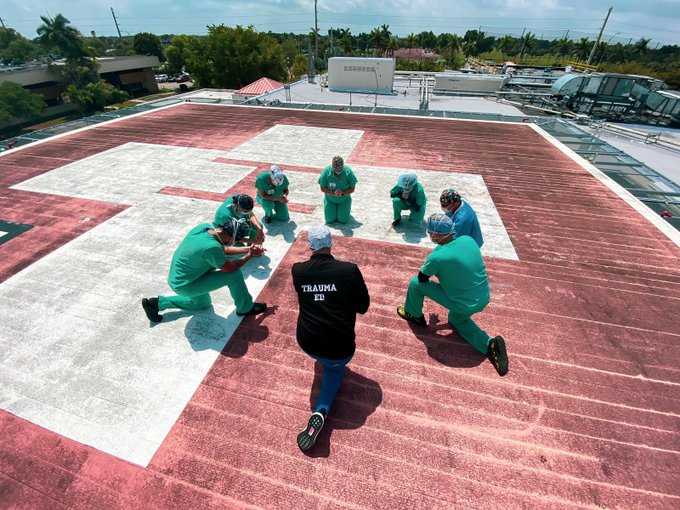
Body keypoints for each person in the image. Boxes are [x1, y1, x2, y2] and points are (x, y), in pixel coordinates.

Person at [396, 213, 508, 376]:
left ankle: (414, 315)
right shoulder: (468, 240)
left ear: (435, 234)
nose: (430, 235)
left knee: (415, 283)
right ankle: (489, 344)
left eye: (430, 233)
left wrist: (432, 262)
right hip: (483, 297)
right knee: (456, 319)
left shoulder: (437, 257)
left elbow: (422, 278)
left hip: (461, 302)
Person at [292, 225, 370, 451]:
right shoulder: (349, 270)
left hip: (306, 341)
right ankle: (322, 408)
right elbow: (363, 307)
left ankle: (325, 364)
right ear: (330, 244)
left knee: (323, 357)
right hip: (340, 347)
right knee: (334, 369)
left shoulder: (298, 270)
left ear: (311, 246)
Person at [141, 218, 267, 323]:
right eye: (238, 240)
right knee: (234, 275)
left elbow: (222, 249)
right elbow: (230, 267)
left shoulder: (204, 228)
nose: (237, 242)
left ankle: (156, 304)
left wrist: (248, 249)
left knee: (202, 304)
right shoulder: (211, 248)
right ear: (231, 236)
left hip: (182, 278)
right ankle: (245, 308)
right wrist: (250, 255)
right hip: (186, 284)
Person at [318, 155, 358, 224]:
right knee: (329, 220)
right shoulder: (326, 172)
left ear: (343, 166)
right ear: (332, 166)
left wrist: (343, 192)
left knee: (343, 220)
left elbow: (352, 188)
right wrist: (332, 193)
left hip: (344, 199)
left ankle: (344, 211)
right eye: (336, 169)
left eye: (340, 169)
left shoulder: (348, 172)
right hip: (330, 199)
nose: (338, 171)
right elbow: (322, 188)